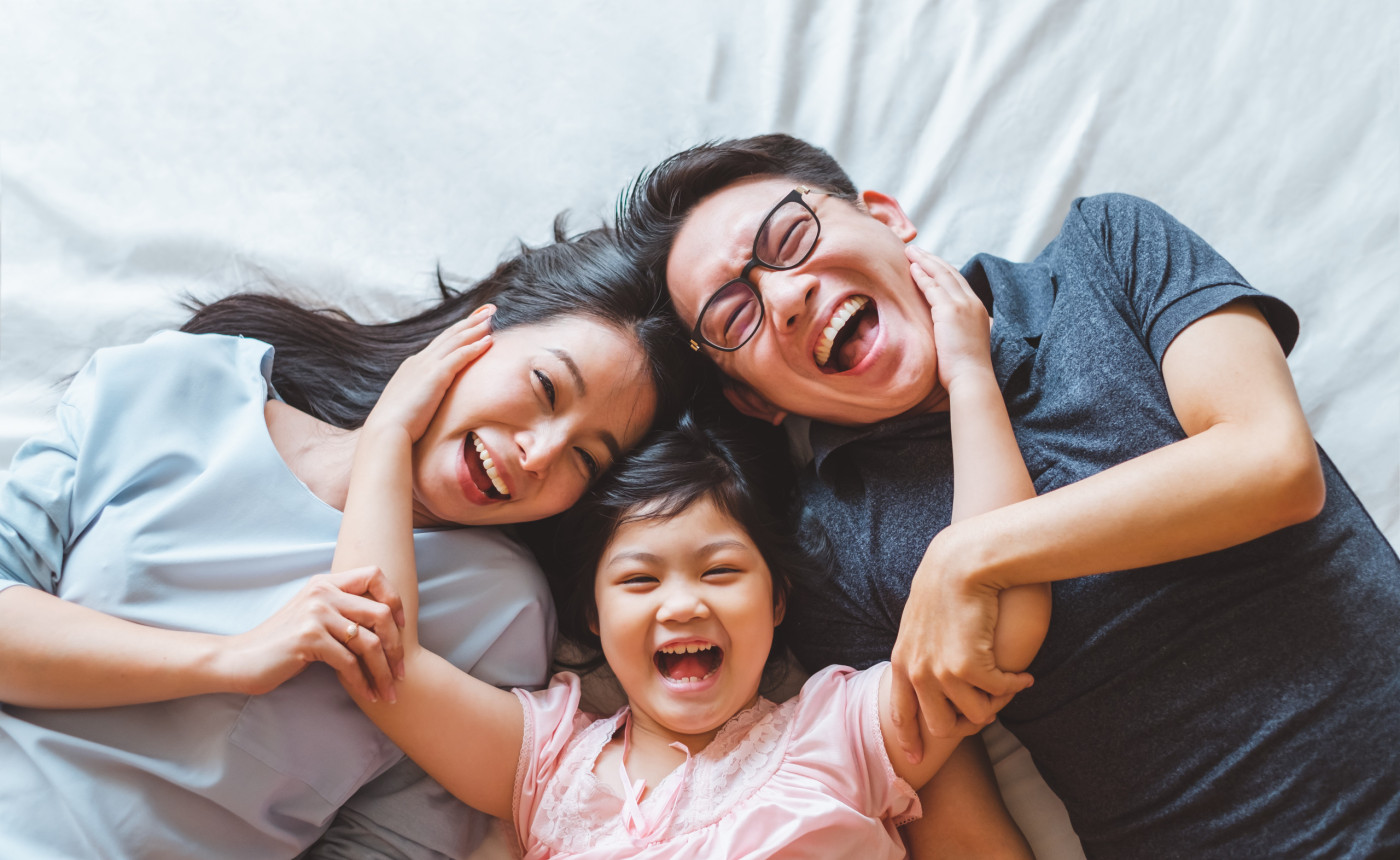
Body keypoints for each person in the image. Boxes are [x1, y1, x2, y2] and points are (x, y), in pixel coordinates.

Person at [615, 134, 1400, 857]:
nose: (785, 297)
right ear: (756, 401)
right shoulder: (830, 555)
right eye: (734, 315)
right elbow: (960, 824)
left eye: (790, 239)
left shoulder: (1109, 250)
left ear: (888, 219)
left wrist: (969, 556)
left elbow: (1272, 464)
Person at [322, 253, 1046, 858]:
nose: (684, 603)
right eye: (638, 578)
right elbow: (379, 652)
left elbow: (998, 613)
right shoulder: (547, 764)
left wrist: (970, 380)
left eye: (721, 571)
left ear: (778, 601)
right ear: (593, 618)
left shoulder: (842, 731)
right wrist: (388, 432)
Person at [0, 226, 690, 858]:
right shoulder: (181, 380)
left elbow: (391, 845)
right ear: (481, 328)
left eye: (586, 459)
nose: (540, 453)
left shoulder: (498, 610)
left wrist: (389, 440)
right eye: (544, 386)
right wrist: (227, 661)